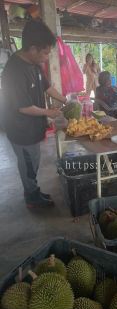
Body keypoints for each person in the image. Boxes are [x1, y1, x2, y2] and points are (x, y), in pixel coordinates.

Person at [2, 20, 67, 208]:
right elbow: (23, 107)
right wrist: (50, 112)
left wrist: (65, 100)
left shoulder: (35, 64)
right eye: (45, 52)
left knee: (34, 161)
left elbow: (47, 87)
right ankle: (31, 197)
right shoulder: (14, 70)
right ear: (32, 48)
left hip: (33, 128)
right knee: (28, 164)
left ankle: (33, 190)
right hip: (20, 130)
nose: (47, 57)